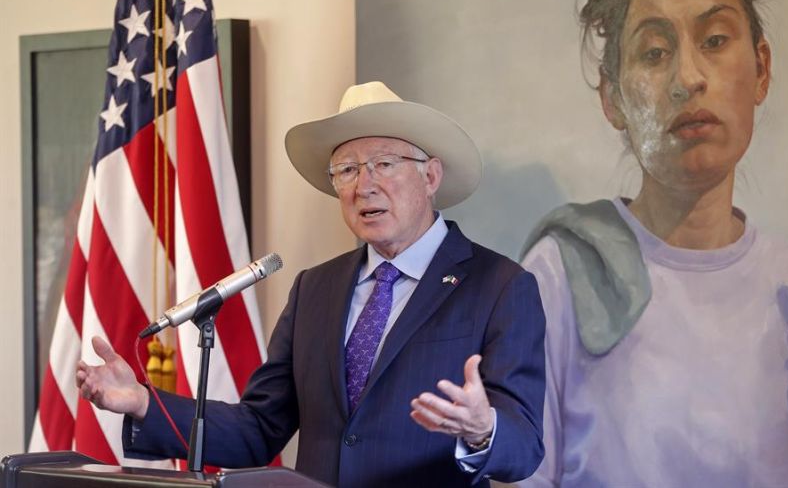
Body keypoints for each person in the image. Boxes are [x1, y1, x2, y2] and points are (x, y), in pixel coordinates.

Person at [77, 81, 546, 487]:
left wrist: (483, 428)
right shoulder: (314, 289)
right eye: (347, 170)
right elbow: (259, 428)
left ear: (430, 176)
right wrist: (142, 401)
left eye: (384, 164)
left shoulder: (501, 286)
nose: (364, 185)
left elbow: (524, 448)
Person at [518, 0, 788, 486]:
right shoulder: (560, 277)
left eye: (715, 40)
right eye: (654, 51)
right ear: (613, 98)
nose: (688, 78)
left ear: (761, 68)